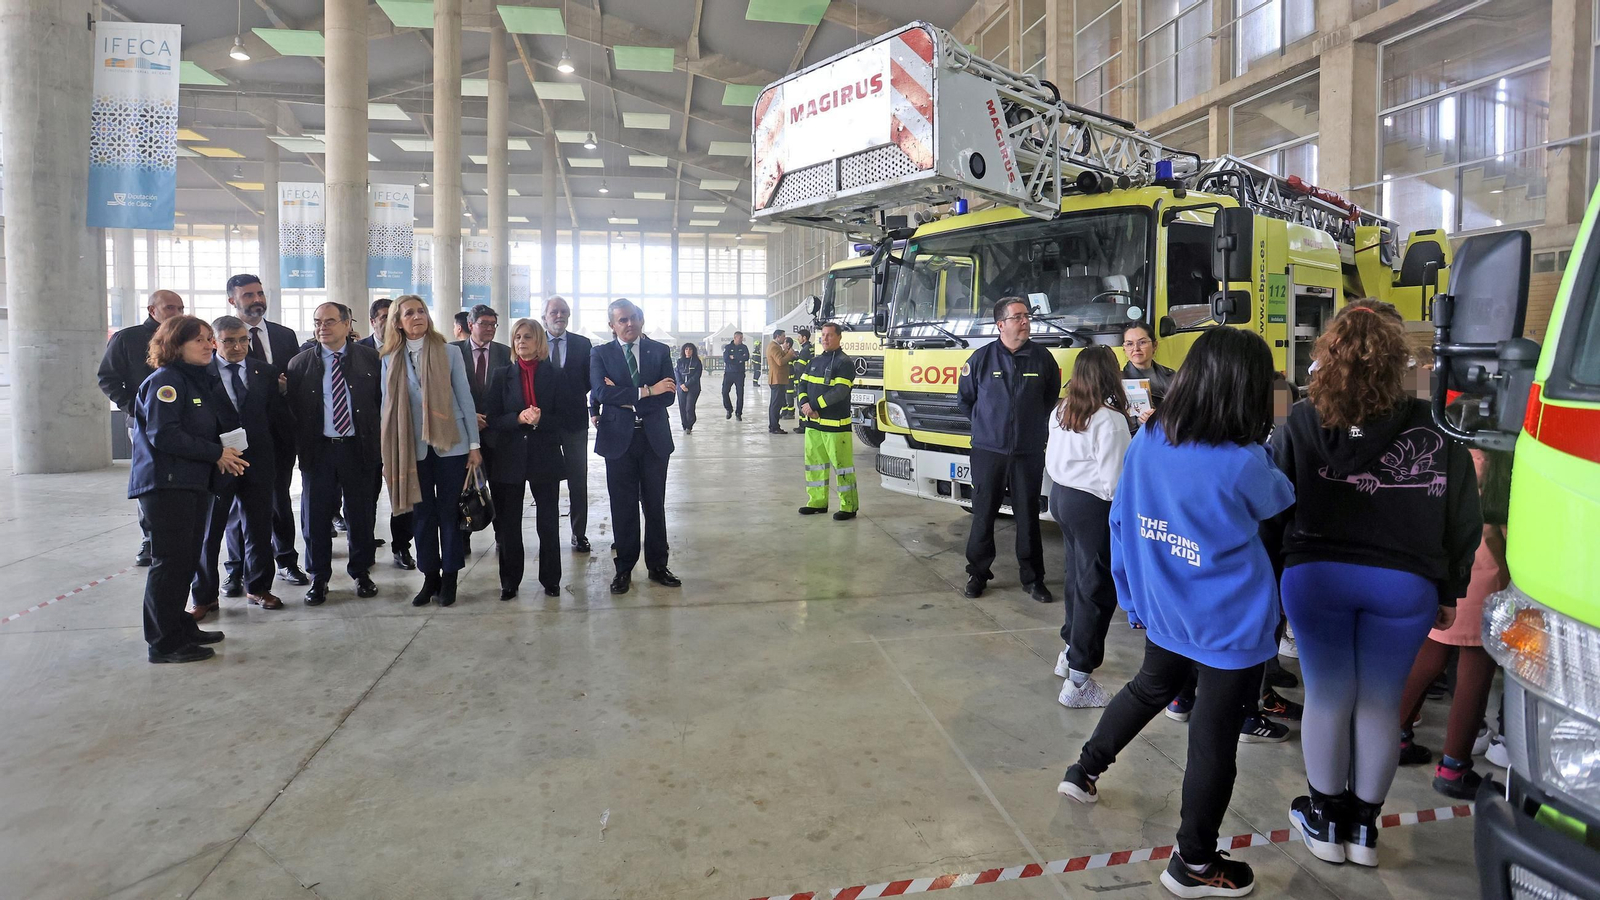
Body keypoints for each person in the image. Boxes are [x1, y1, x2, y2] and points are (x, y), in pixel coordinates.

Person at [1058, 327, 1291, 899]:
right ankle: (1192, 861)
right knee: (1213, 735)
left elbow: (1121, 524)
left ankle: (1083, 769)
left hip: (1163, 607)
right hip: (1228, 625)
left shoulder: (1149, 438)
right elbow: (1281, 501)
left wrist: (1132, 596)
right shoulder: (1242, 462)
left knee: (1149, 686)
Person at [1268, 299, 1481, 868]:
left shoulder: (1302, 422)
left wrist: (1271, 585)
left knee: (1329, 696)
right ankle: (1364, 831)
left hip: (1316, 576)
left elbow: (1270, 507)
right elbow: (1465, 517)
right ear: (1398, 362)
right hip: (1404, 583)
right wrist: (1449, 589)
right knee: (1382, 707)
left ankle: (1323, 818)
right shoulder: (1436, 427)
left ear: (1326, 358)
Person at [128, 315, 245, 663]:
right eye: (201, 340)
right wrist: (215, 453)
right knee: (170, 563)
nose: (210, 345)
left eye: (211, 339)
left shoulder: (192, 380)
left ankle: (180, 627)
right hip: (167, 487)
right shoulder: (167, 381)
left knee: (185, 561)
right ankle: (163, 643)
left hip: (190, 483)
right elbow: (164, 434)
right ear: (176, 346)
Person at [1397, 444, 1510, 800]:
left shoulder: (1441, 457)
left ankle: (1391, 739)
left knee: (1426, 660)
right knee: (1474, 681)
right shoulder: (1504, 471)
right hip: (1484, 587)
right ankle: (1454, 769)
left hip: (1441, 578)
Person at [956, 297, 1061, 603]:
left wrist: (1029, 428)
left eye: (1026, 316)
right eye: (1017, 317)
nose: (1025, 321)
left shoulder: (1042, 359)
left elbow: (1049, 398)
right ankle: (977, 573)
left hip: (1027, 452)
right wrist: (988, 425)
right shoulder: (981, 359)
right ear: (1001, 325)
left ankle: (1033, 578)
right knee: (983, 513)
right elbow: (966, 400)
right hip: (988, 451)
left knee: (1028, 516)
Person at [381, 296, 482, 608]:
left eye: (421, 311)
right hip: (413, 448)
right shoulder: (389, 358)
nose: (417, 316)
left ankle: (450, 576)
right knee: (422, 516)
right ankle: (430, 577)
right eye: (409, 313)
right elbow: (387, 407)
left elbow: (465, 398)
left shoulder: (448, 352)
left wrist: (475, 445)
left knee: (449, 513)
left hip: (452, 444)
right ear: (397, 322)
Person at [1047, 345, 1132, 708]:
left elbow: (1052, 458)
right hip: (1093, 507)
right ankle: (1079, 680)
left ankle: (1069, 652)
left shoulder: (1062, 409)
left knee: (1076, 578)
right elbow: (1116, 482)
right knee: (1097, 588)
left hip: (1062, 498)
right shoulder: (1109, 419)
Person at [190, 316, 292, 618]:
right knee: (210, 532)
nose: (238, 347)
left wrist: (283, 458)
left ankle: (258, 587)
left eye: (243, 340)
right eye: (229, 341)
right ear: (214, 342)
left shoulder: (265, 372)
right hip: (217, 462)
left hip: (258, 461)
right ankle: (205, 596)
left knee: (259, 526)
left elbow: (277, 419)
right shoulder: (198, 374)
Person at [285, 302, 383, 606]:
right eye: (317, 322)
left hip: (359, 448)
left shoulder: (372, 359)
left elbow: (383, 405)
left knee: (361, 514)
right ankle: (319, 578)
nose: (322, 328)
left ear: (347, 324)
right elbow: (293, 411)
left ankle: (361, 573)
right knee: (315, 517)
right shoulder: (300, 364)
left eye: (329, 322)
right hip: (319, 450)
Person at [223, 273, 309, 586]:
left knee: (279, 498)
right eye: (248, 295)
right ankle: (236, 568)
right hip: (236, 438)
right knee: (237, 505)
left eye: (260, 293)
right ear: (233, 300)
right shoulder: (220, 335)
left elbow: (296, 379)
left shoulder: (284, 335)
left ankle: (286, 560)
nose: (257, 299)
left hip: (278, 434)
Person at [591, 299, 680, 594]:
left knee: (655, 504)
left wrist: (625, 394)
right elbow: (602, 392)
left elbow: (668, 396)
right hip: (618, 441)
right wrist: (647, 390)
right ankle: (624, 568)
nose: (629, 324)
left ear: (641, 320)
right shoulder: (600, 353)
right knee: (623, 505)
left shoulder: (660, 351)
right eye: (622, 320)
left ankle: (658, 566)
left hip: (653, 439)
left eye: (633, 318)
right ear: (612, 326)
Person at [99, 289, 186, 567]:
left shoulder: (186, 338)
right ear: (152, 310)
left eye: (181, 308)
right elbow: (108, 378)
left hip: (182, 424)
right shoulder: (128, 338)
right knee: (149, 482)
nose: (177, 313)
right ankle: (149, 539)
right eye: (170, 308)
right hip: (142, 425)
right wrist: (134, 408)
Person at [484, 318, 565, 600]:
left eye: (527, 336)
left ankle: (551, 579)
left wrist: (542, 419)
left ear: (539, 341)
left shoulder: (555, 374)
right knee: (509, 524)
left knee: (548, 522)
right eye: (517, 337)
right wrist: (518, 418)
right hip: (508, 458)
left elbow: (567, 418)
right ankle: (509, 581)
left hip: (545, 457)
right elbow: (492, 419)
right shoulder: (501, 375)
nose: (521, 342)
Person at [358, 298, 416, 569]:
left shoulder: (409, 351)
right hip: (367, 438)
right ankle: (364, 543)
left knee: (402, 495)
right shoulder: (358, 352)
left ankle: (402, 547)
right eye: (382, 316)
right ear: (373, 321)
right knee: (366, 494)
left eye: (392, 316)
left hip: (401, 437)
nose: (388, 321)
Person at [542, 296, 594, 553]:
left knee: (577, 478)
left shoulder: (583, 345)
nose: (559, 315)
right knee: (546, 479)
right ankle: (548, 533)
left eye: (563, 311)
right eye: (554, 312)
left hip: (574, 422)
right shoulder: (534, 340)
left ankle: (579, 532)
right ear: (545, 317)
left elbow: (589, 380)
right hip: (544, 424)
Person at [795, 323, 858, 521]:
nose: (825, 338)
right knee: (814, 464)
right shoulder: (814, 361)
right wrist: (804, 404)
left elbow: (839, 392)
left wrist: (813, 406)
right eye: (823, 335)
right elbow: (802, 384)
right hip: (813, 425)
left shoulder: (844, 363)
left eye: (830, 335)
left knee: (842, 466)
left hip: (836, 426)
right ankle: (817, 502)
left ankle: (849, 506)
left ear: (839, 337)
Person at [454, 304, 510, 432]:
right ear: (470, 325)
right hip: (462, 428)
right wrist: (469, 416)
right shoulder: (453, 351)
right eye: (484, 324)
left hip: (495, 430)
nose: (490, 328)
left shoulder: (506, 353)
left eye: (493, 324)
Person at [1121, 322, 1175, 429]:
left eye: (1142, 342)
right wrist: (1139, 422)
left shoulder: (1171, 375)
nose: (1136, 348)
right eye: (1129, 344)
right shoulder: (1119, 381)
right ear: (1124, 349)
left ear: (1155, 345)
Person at [766, 328, 798, 434]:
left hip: (778, 379)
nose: (785, 339)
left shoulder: (776, 347)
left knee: (776, 404)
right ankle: (774, 427)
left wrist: (785, 352)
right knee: (776, 405)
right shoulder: (774, 347)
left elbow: (779, 357)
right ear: (778, 336)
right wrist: (789, 355)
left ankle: (774, 425)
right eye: (783, 336)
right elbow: (779, 361)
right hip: (777, 379)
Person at [675, 343, 703, 433]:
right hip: (681, 388)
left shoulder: (697, 362)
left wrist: (687, 385)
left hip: (693, 388)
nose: (688, 351)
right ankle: (684, 424)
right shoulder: (679, 361)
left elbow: (696, 376)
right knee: (682, 407)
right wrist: (681, 384)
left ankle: (689, 425)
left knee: (689, 407)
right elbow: (677, 373)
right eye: (686, 349)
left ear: (693, 351)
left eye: (690, 349)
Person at [722, 331, 750, 420]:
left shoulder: (744, 347)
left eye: (742, 338)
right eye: (740, 338)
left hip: (740, 373)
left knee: (740, 394)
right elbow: (726, 359)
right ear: (735, 338)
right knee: (724, 392)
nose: (741, 339)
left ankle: (738, 413)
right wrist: (739, 358)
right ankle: (729, 409)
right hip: (729, 373)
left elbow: (746, 357)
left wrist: (734, 357)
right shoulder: (728, 347)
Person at [791, 329, 813, 433]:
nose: (798, 338)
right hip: (809, 379)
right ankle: (805, 425)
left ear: (804, 338)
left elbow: (799, 367)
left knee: (801, 403)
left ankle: (803, 426)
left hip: (803, 379)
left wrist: (794, 360)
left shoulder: (805, 350)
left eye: (799, 337)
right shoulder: (811, 348)